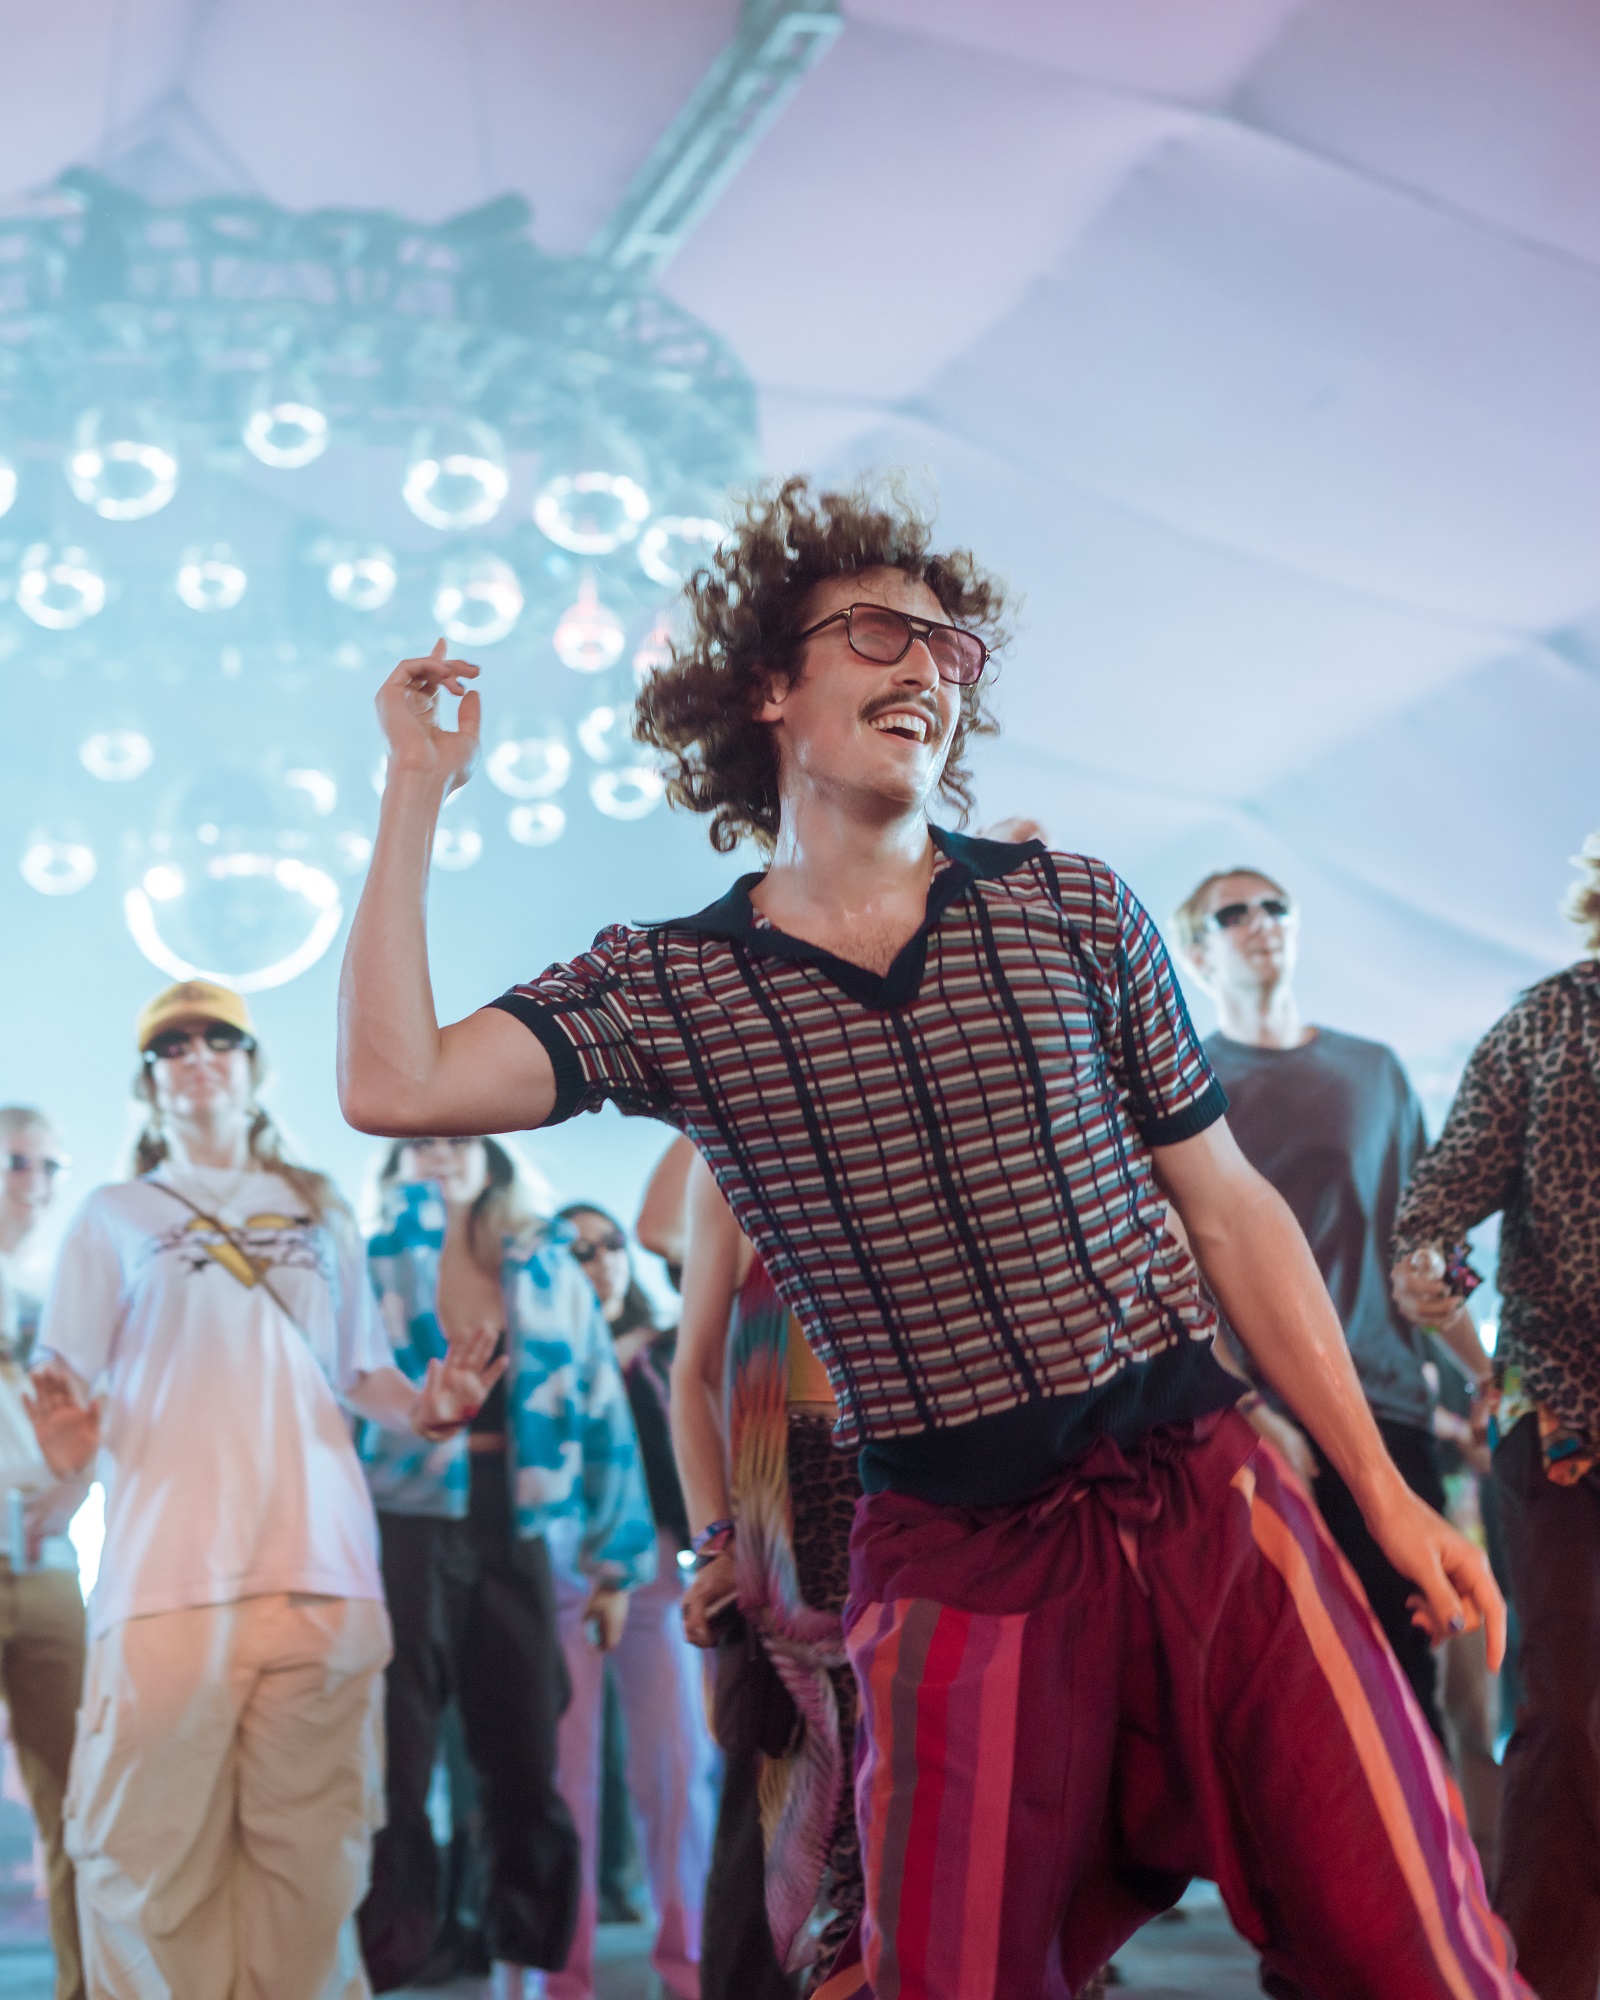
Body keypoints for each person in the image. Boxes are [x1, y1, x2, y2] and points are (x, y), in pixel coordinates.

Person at [337, 478, 1524, 2000]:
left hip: (1205, 1485)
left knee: (1413, 1932)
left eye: (949, 647)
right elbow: (396, 1083)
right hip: (958, 1545)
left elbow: (1232, 1209)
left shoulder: (1075, 908)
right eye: (878, 633)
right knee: (944, 1973)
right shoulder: (678, 986)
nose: (928, 668)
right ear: (768, 686)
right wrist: (415, 790)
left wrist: (1381, 1488)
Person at [26, 981, 502, 2000]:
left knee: (314, 1867)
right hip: (165, 1580)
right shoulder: (112, 1215)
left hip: (322, 1569)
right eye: (172, 1045)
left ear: (253, 1065)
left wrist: (427, 1408)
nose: (198, 1055)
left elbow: (361, 1372)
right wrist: (66, 1451)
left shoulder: (319, 1205)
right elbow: (65, 1388)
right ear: (148, 1082)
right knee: (148, 1865)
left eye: (220, 1037)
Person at [356, 1136, 656, 1999]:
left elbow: (601, 1405)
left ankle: (524, 1952)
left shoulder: (545, 1262)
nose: (440, 1154)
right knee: (395, 1753)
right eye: (420, 1142)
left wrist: (616, 1562)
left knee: (525, 1743)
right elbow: (334, 1393)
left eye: (459, 1138)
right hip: (400, 1519)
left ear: (492, 1153)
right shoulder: (369, 1256)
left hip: (516, 1516)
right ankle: (392, 1955)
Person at [1391, 830, 1600, 2000]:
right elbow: (1429, 1222)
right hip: (1559, 1413)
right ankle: (1547, 1978)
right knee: (1565, 1705)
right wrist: (1475, 1344)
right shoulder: (1546, 1022)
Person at [1174, 868, 1452, 1739]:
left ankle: (1433, 1836)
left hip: (1385, 1407)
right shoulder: (1179, 1087)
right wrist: (1247, 1407)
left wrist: (1484, 1373)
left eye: (1276, 906)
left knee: (1408, 1683)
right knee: (1283, 1701)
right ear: (1196, 954)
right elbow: (1175, 1269)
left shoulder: (1374, 1070)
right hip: (1251, 1426)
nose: (1261, 921)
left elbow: (1431, 1235)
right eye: (1233, 912)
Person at [673, 1149, 863, 1996]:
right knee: (781, 1803)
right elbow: (693, 1372)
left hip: (944, 1486)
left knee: (940, 1797)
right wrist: (718, 1538)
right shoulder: (731, 1148)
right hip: (790, 1498)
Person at [545, 1199, 716, 2000]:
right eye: (577, 1249)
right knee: (563, 1776)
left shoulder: (667, 1346)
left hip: (656, 1569)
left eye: (610, 1243)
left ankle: (690, 1967)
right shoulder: (539, 1353)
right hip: (561, 1567)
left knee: (675, 1770)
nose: (600, 1259)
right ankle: (557, 1978)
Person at [0, 1109, 88, 2000]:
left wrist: (80, 1485)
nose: (33, 1180)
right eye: (14, 1161)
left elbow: (104, 1417)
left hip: (47, 1559)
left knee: (80, 1798)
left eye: (48, 1164)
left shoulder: (62, 1292)